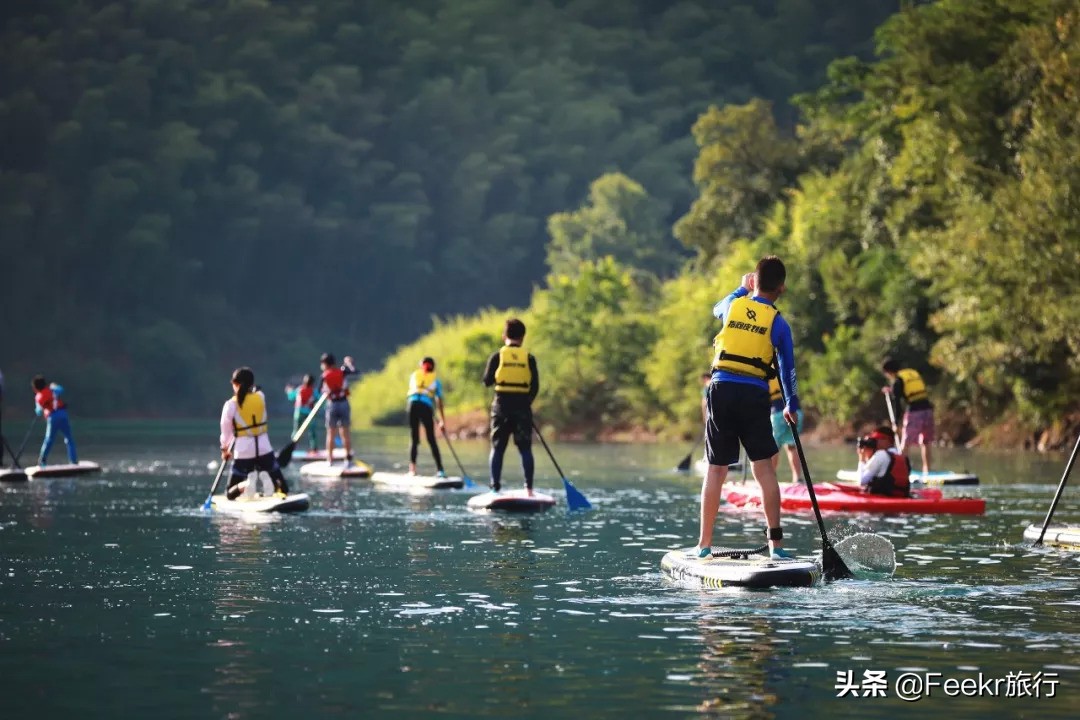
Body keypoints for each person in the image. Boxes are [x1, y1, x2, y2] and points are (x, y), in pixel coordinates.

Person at [696, 256, 800, 561]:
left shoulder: (733, 305)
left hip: (722, 390)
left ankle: (704, 546)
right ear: (781, 288)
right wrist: (791, 404)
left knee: (716, 469)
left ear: (754, 280)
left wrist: (742, 289)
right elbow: (787, 369)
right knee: (763, 468)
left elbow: (717, 307)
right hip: (754, 395)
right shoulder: (778, 323)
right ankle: (776, 547)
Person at [482, 318, 539, 494]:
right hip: (522, 407)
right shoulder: (529, 358)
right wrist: (526, 404)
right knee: (525, 448)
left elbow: (487, 381)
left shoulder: (497, 357)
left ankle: (495, 488)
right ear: (523, 337)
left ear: (504, 336)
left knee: (498, 448)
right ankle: (529, 489)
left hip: (501, 407)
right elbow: (535, 387)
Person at [220, 367, 289, 500]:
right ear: (251, 384)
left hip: (244, 451)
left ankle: (245, 485)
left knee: (229, 494)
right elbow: (256, 392)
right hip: (264, 449)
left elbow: (225, 431)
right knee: (284, 489)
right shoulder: (261, 397)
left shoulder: (230, 405)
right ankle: (274, 485)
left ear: (235, 384)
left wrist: (225, 450)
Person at [881, 358, 934, 474]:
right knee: (926, 442)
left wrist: (895, 423)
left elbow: (897, 404)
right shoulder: (912, 373)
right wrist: (892, 390)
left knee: (906, 444)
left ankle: (900, 472)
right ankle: (927, 471)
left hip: (915, 412)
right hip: (928, 410)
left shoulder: (897, 381)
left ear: (889, 372)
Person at [406, 357, 447, 477]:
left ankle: (412, 470)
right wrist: (442, 421)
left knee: (414, 438)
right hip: (426, 407)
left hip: (412, 405)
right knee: (431, 439)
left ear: (421, 365)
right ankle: (440, 470)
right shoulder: (436, 380)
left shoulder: (414, 375)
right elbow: (439, 401)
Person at [32, 375, 78, 466]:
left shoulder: (39, 396)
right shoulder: (52, 390)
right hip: (63, 415)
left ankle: (42, 461)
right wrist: (54, 386)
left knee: (49, 439)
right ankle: (73, 460)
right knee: (69, 438)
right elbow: (61, 389)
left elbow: (39, 411)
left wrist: (38, 410)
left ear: (35, 388)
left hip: (53, 417)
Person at [320, 353, 356, 466]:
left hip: (332, 405)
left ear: (325, 364)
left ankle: (330, 460)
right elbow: (353, 370)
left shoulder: (324, 376)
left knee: (331, 433)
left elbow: (320, 391)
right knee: (345, 433)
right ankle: (348, 459)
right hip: (344, 404)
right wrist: (348, 362)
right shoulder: (342, 371)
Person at [769, 376, 803, 484]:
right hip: (796, 412)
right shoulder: (785, 370)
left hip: (778, 414)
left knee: (774, 447)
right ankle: (797, 479)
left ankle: (769, 479)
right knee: (792, 447)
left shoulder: (766, 372)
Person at [285, 374, 320, 452]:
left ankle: (292, 448)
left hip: (299, 412)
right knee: (312, 431)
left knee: (296, 431)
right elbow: (319, 399)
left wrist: (288, 391)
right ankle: (314, 448)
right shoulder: (314, 391)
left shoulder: (299, 389)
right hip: (309, 413)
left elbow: (291, 397)